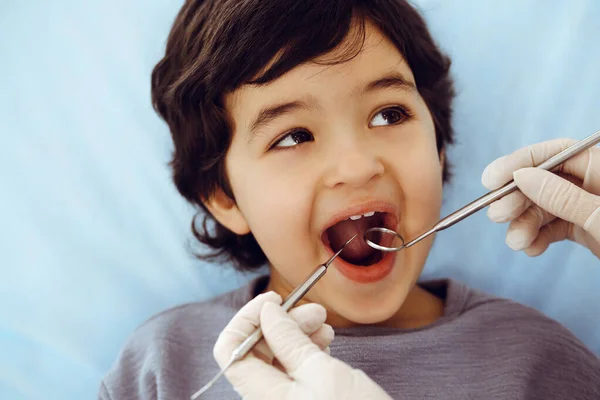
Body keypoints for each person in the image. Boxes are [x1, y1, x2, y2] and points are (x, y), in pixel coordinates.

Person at [98, 0, 600, 398]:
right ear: (223, 196)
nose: (359, 165)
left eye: (389, 115)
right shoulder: (163, 367)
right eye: (293, 136)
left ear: (438, 144)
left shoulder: (537, 360)